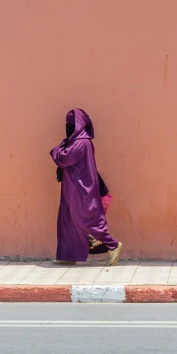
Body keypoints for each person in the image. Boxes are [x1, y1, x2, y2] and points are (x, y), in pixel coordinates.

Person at [50, 108, 123, 265]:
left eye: (69, 125)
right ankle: (68, 255)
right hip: (72, 188)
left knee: (84, 221)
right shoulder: (76, 142)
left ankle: (113, 245)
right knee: (67, 220)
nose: (67, 128)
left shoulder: (81, 143)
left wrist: (57, 150)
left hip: (80, 189)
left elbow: (63, 158)